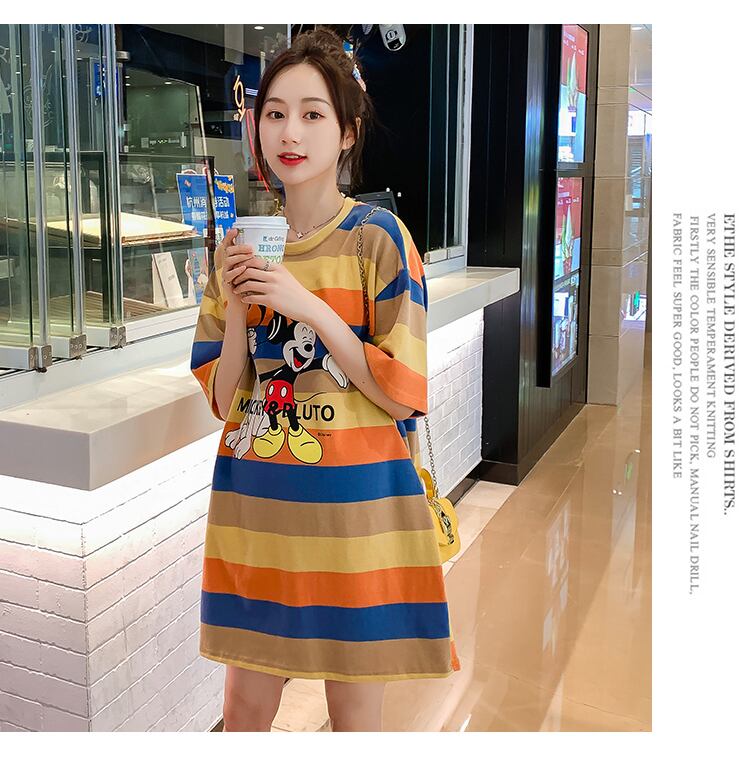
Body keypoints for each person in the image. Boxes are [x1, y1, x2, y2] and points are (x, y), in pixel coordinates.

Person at [190, 27, 460, 733]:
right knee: (243, 712)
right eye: (275, 112)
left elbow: (403, 390)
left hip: (355, 525)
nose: (290, 132)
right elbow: (223, 399)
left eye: (313, 114)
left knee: (354, 720)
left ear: (346, 132)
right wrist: (242, 303)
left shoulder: (378, 238)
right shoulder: (237, 247)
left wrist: (307, 306)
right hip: (258, 518)